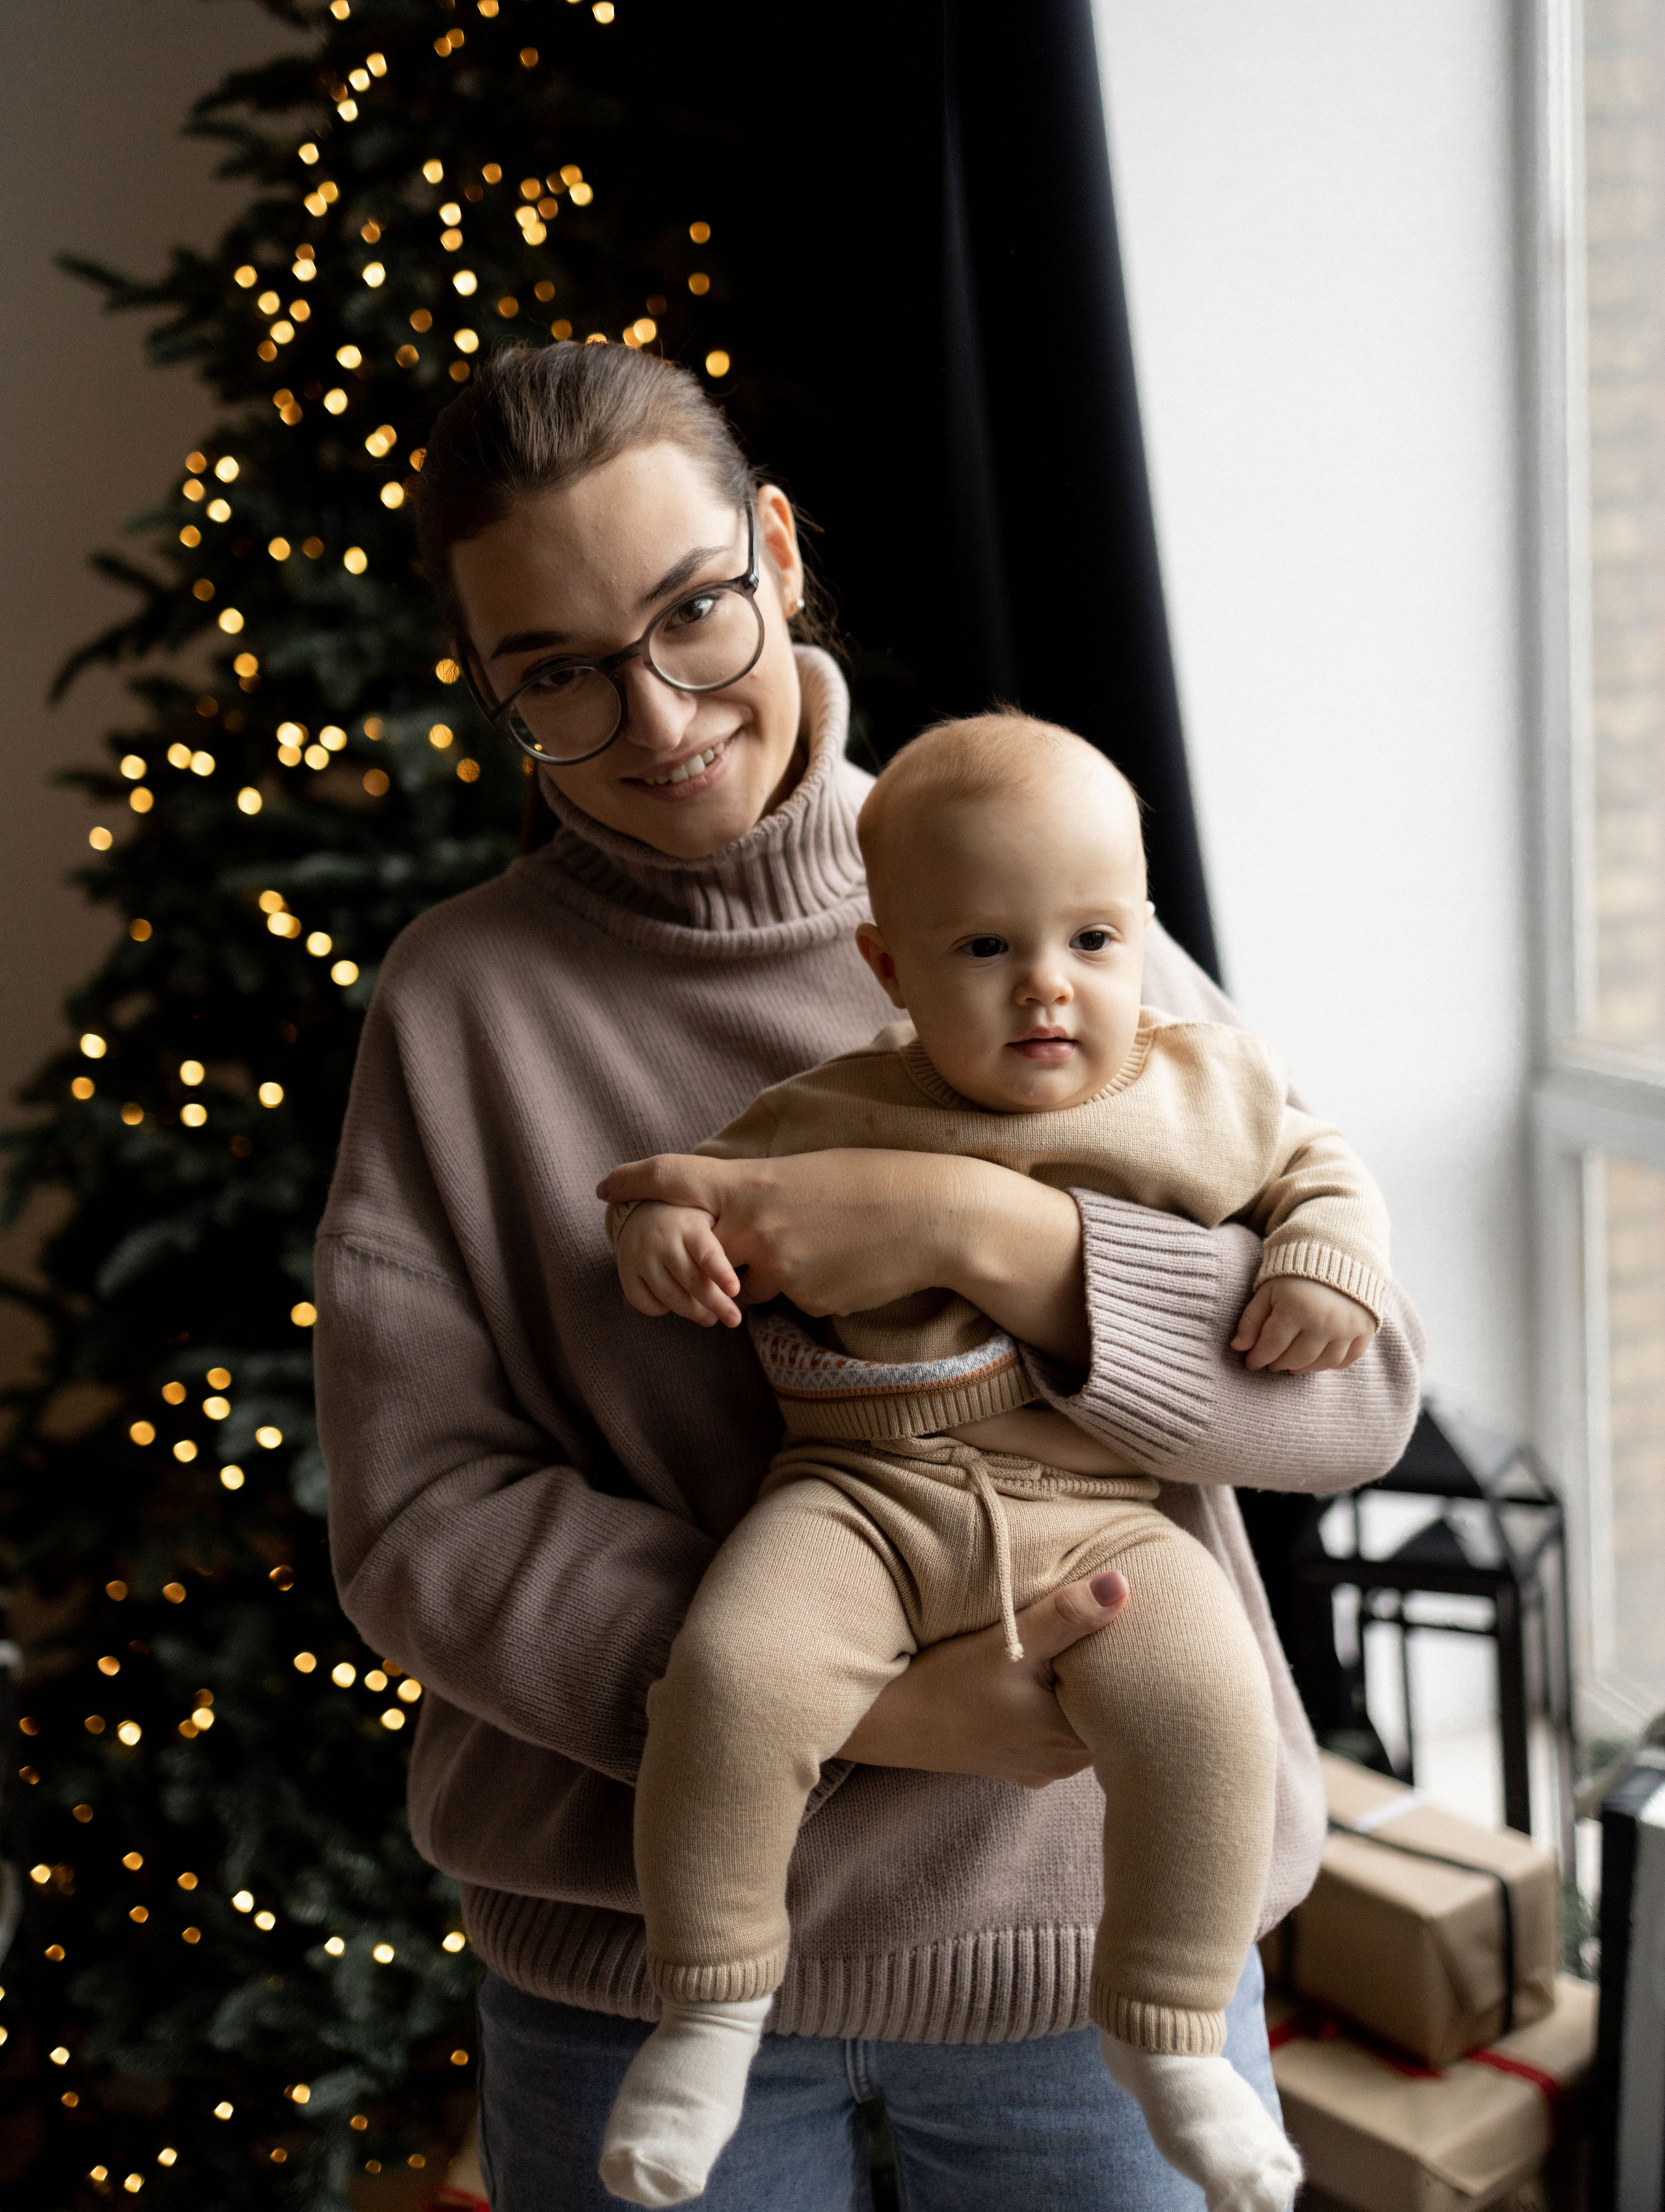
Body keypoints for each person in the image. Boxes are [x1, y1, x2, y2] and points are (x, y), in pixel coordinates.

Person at [315, 341, 1426, 2212]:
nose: (658, 717)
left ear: (775, 550)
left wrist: (983, 1236)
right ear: (488, 682)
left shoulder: (1023, 873)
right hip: (629, 1966)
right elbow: (421, 1519)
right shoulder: (459, 1004)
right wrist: (848, 1697)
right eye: (558, 674)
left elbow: (1356, 1392)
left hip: (1084, 1948)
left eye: (692, 613)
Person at [598, 714, 1387, 2210]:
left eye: (1090, 938)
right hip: (857, 1503)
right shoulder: (833, 1106)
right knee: (734, 1677)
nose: (1045, 984)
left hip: (1096, 1518)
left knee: (1206, 1702)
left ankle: (1166, 2029)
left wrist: (1324, 1259)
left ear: (1140, 935)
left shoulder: (1198, 1088)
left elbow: (1321, 1168)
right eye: (981, 949)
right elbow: (676, 1187)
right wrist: (661, 1234)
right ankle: (708, 2005)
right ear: (888, 967)